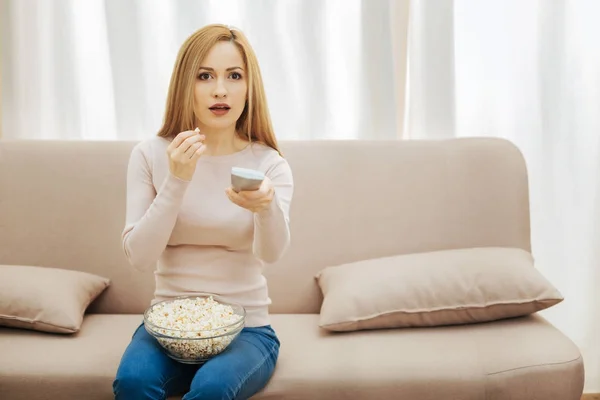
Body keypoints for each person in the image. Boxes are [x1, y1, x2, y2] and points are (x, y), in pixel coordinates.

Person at [112, 24, 293, 400]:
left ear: (249, 87)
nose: (220, 90)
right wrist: (177, 180)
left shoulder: (268, 164)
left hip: (248, 329)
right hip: (167, 325)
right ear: (185, 84)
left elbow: (272, 254)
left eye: (234, 76)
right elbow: (140, 258)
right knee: (133, 383)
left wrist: (266, 207)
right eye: (205, 76)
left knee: (212, 388)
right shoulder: (149, 155)